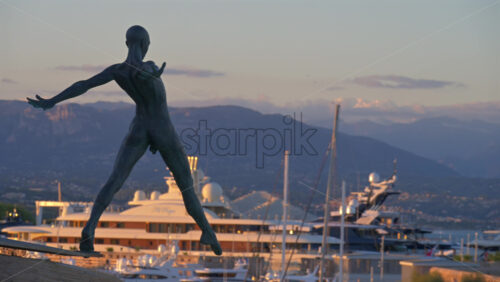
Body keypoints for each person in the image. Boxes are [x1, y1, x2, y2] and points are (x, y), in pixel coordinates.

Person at [27, 25, 222, 256]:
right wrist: (152, 74)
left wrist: (53, 101)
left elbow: (84, 85)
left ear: (126, 43)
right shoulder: (147, 66)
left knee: (115, 180)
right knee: (186, 186)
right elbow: (147, 73)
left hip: (139, 128)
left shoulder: (118, 71)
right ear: (145, 43)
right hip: (162, 130)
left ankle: (89, 230)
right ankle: (207, 231)